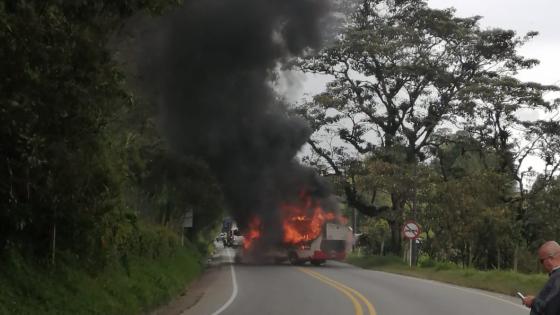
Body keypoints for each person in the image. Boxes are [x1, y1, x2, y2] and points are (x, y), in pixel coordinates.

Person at [522, 241, 560, 315]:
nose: (542, 264)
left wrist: (533, 302)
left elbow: (551, 307)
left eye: (542, 260)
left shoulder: (558, 277)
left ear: (550, 259)